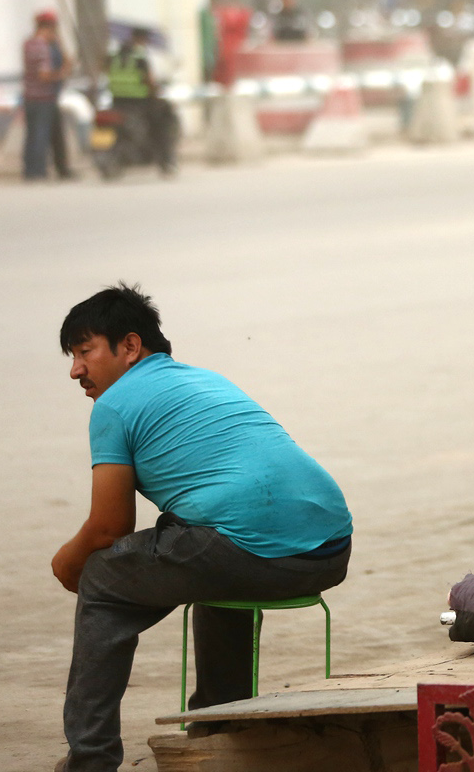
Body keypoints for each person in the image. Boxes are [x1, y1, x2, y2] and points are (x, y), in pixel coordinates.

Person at [52, 285, 353, 772]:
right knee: (203, 547)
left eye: (85, 352)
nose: (75, 370)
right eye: (72, 356)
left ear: (130, 347)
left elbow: (109, 528)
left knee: (103, 578)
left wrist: (67, 562)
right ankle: (219, 725)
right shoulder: (206, 380)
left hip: (254, 554)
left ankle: (90, 758)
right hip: (331, 550)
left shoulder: (113, 404)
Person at [107, 28, 178, 174]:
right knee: (163, 121)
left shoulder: (114, 55)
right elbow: (149, 81)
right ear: (141, 40)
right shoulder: (139, 57)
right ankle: (166, 161)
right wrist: (156, 91)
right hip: (138, 103)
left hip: (116, 103)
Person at [22, 10, 75, 180]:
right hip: (44, 98)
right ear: (49, 27)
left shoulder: (28, 44)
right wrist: (61, 73)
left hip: (30, 97)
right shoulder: (43, 47)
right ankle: (37, 171)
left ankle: (36, 169)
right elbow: (44, 75)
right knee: (40, 135)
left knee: (36, 135)